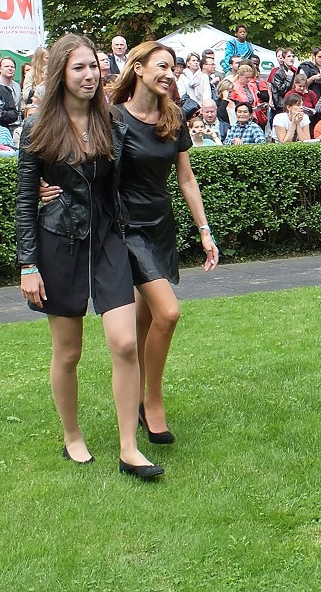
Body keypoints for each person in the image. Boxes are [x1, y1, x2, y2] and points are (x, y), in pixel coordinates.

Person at [16, 33, 161, 479]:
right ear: (61, 72)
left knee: (123, 342)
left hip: (109, 242)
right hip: (59, 241)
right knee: (68, 352)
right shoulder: (37, 127)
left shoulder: (111, 121)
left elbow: (138, 171)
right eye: (78, 67)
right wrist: (28, 265)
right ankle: (72, 436)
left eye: (93, 67)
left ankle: (129, 448)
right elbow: (24, 200)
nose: (89, 75)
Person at [108, 41, 219, 445]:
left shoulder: (172, 116)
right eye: (161, 65)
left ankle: (135, 394)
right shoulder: (113, 116)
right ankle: (151, 401)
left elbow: (186, 179)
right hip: (125, 229)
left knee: (145, 320)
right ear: (137, 68)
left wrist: (204, 231)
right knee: (168, 314)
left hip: (160, 226)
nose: (169, 72)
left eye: (173, 66)